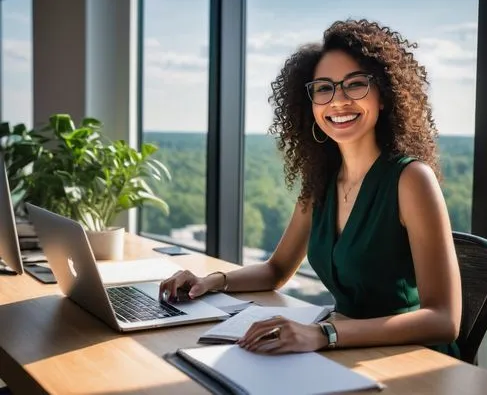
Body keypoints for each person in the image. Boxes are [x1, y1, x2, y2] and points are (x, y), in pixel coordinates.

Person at [159, 19, 462, 357]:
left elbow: (444, 320)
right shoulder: (322, 181)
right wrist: (212, 281)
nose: (338, 101)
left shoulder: (412, 180)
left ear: (385, 96)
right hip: (347, 348)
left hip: (416, 361)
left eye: (355, 84)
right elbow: (275, 270)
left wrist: (324, 334)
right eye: (324, 88)